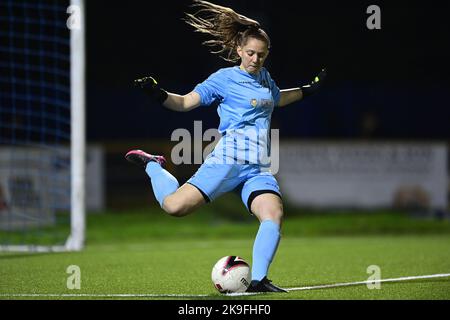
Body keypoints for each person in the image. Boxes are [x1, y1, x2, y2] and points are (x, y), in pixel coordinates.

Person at [126, 0, 326, 293]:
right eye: (250, 53)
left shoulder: (265, 80)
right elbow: (184, 102)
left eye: (261, 54)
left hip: (256, 167)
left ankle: (258, 280)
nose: (255, 59)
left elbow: (279, 98)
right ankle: (153, 165)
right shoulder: (224, 79)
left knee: (273, 215)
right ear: (238, 51)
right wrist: (158, 94)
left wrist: (307, 91)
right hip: (227, 161)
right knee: (174, 207)